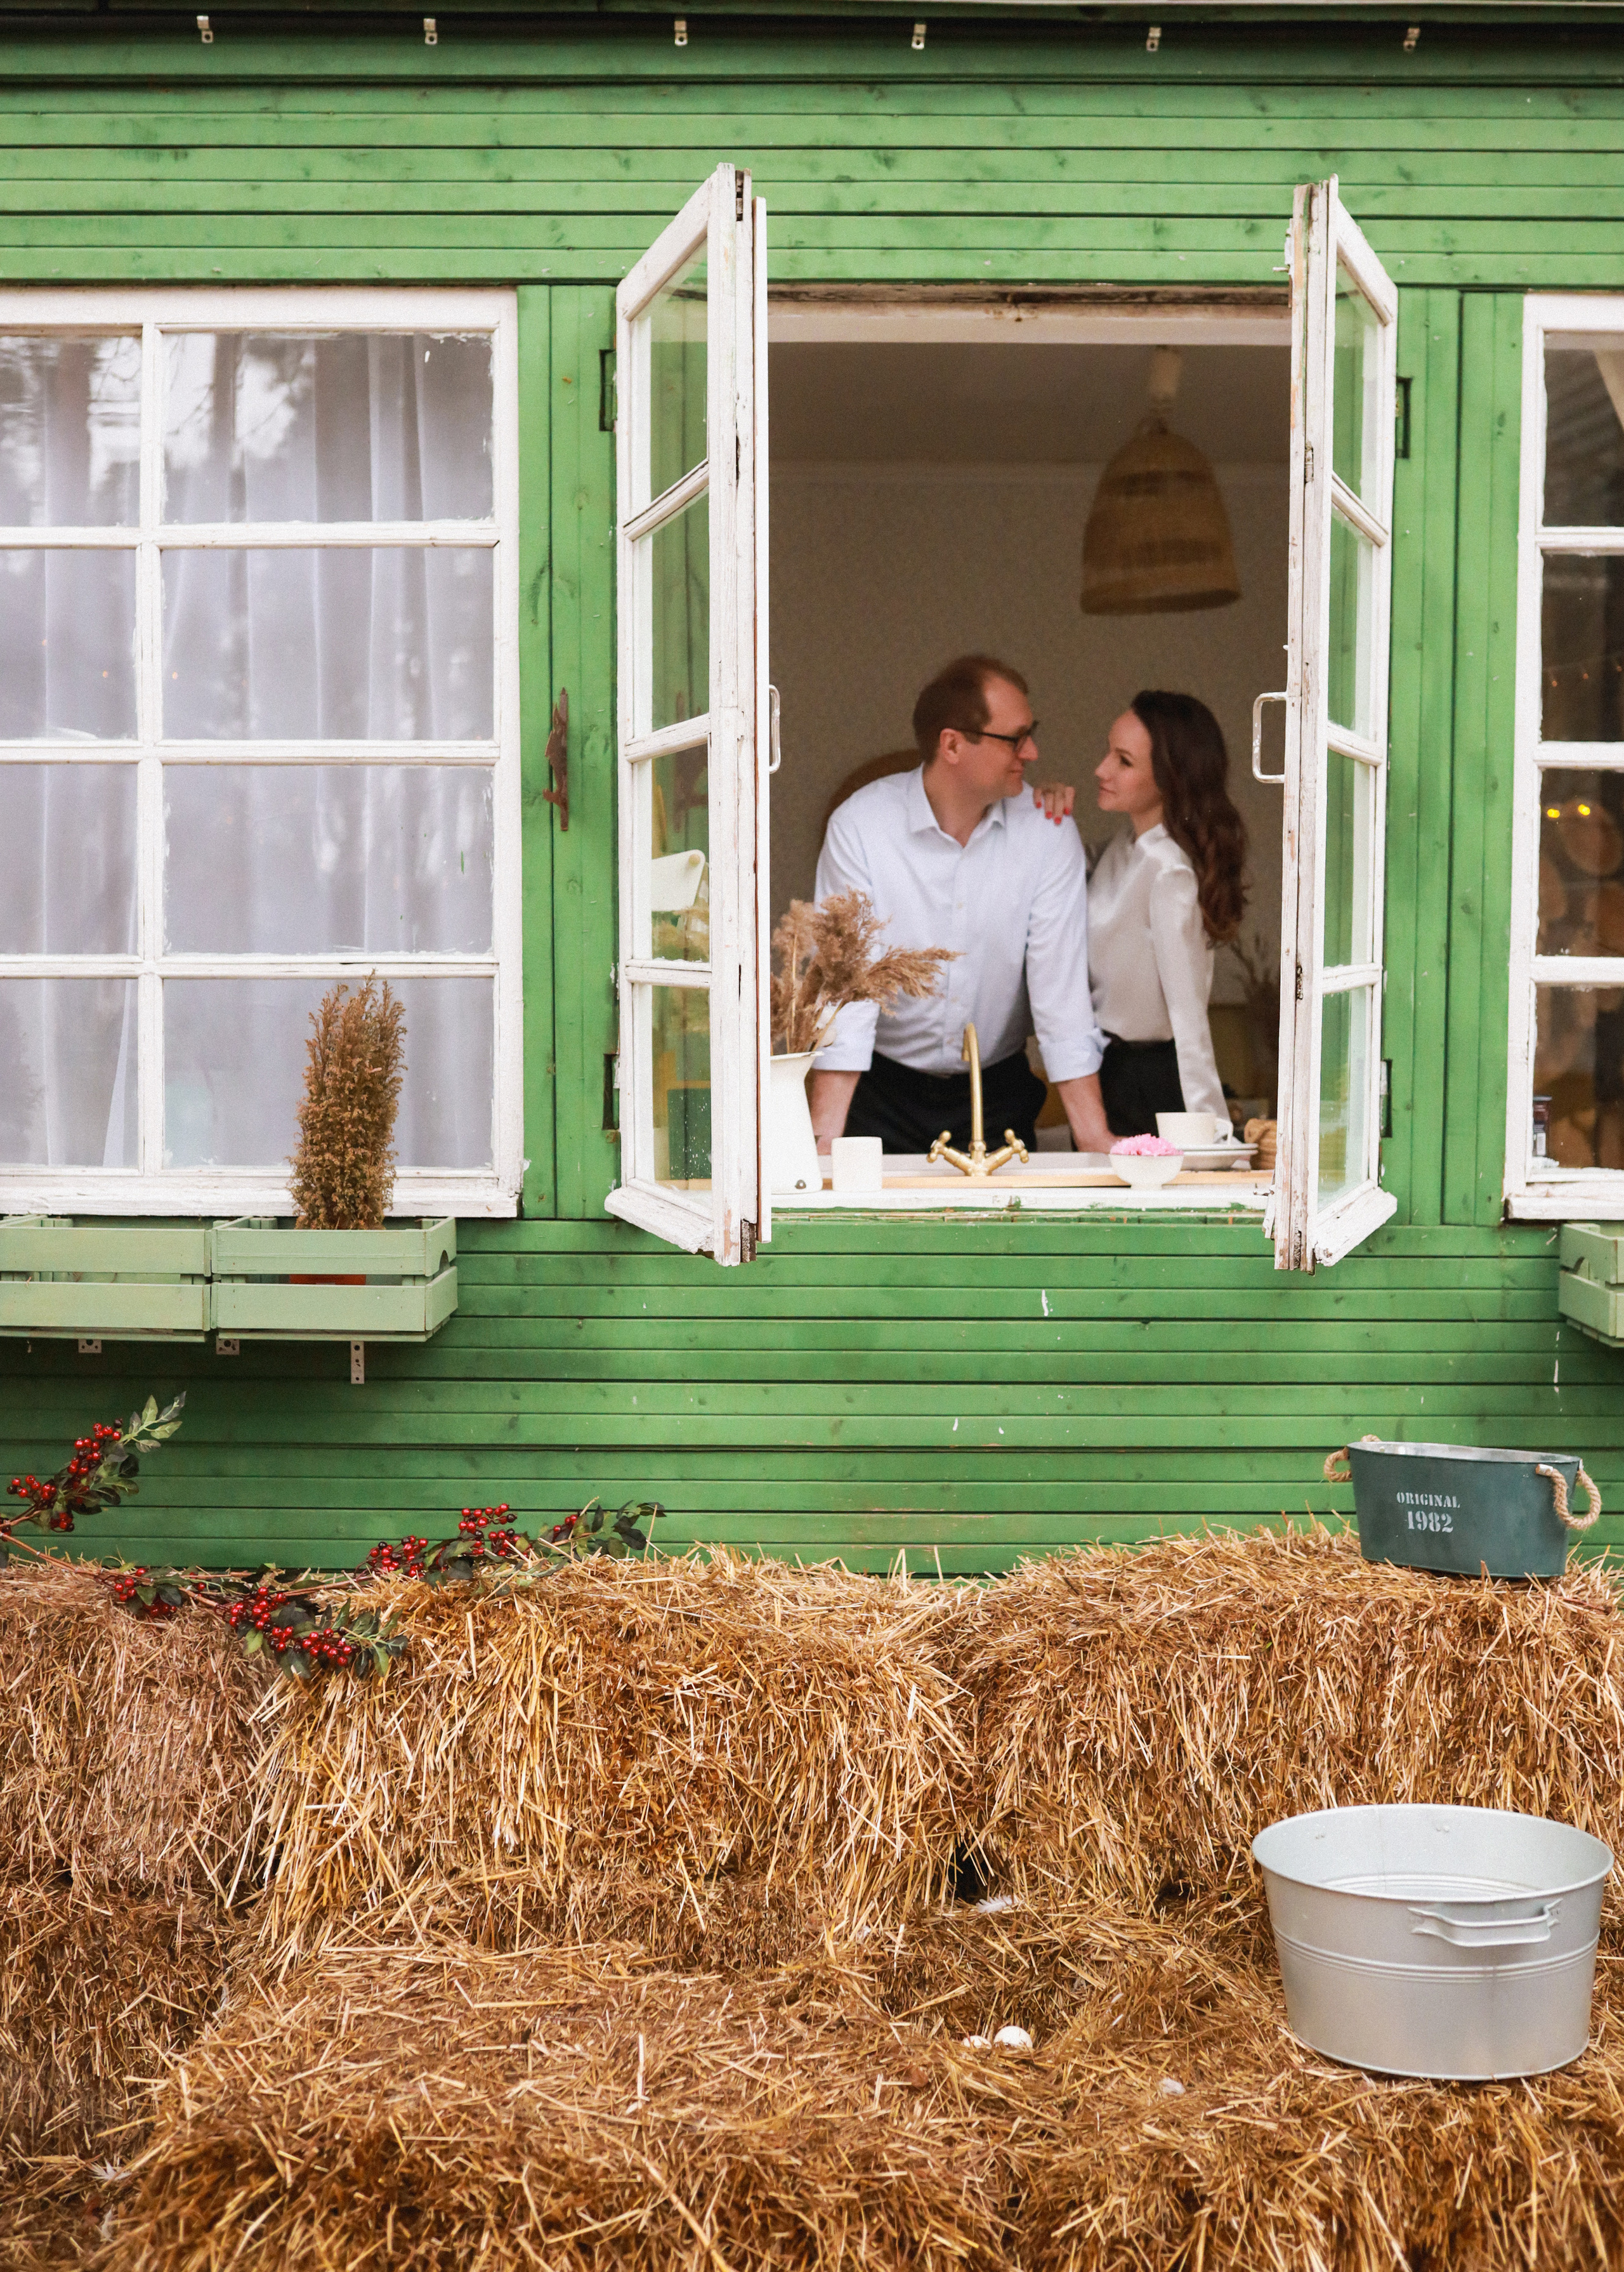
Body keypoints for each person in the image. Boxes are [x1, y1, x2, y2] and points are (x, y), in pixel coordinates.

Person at [808, 654, 1114, 1157]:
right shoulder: (860, 827)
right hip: (880, 1094)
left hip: (999, 1097)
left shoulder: (1048, 833)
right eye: (1016, 738)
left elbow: (1061, 995)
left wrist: (1095, 1139)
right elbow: (848, 994)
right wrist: (822, 1145)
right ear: (952, 744)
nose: (1032, 751)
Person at [1036, 692, 1246, 1138]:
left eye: (1124, 761)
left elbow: (1188, 1019)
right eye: (1109, 751)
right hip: (1105, 1073)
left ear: (1170, 778)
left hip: (1151, 1087)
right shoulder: (1122, 848)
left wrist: (1215, 1133)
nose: (1101, 769)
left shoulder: (1168, 871)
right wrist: (1042, 810)